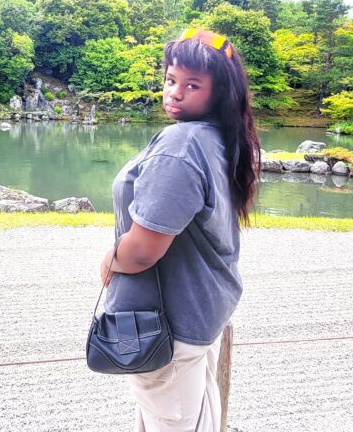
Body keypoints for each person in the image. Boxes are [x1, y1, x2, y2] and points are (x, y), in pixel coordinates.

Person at [100, 28, 259, 432]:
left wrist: (112, 258)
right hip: (200, 312)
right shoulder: (218, 139)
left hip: (169, 322)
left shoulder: (181, 145)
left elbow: (142, 252)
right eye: (171, 80)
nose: (175, 92)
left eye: (193, 85)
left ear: (219, 93)